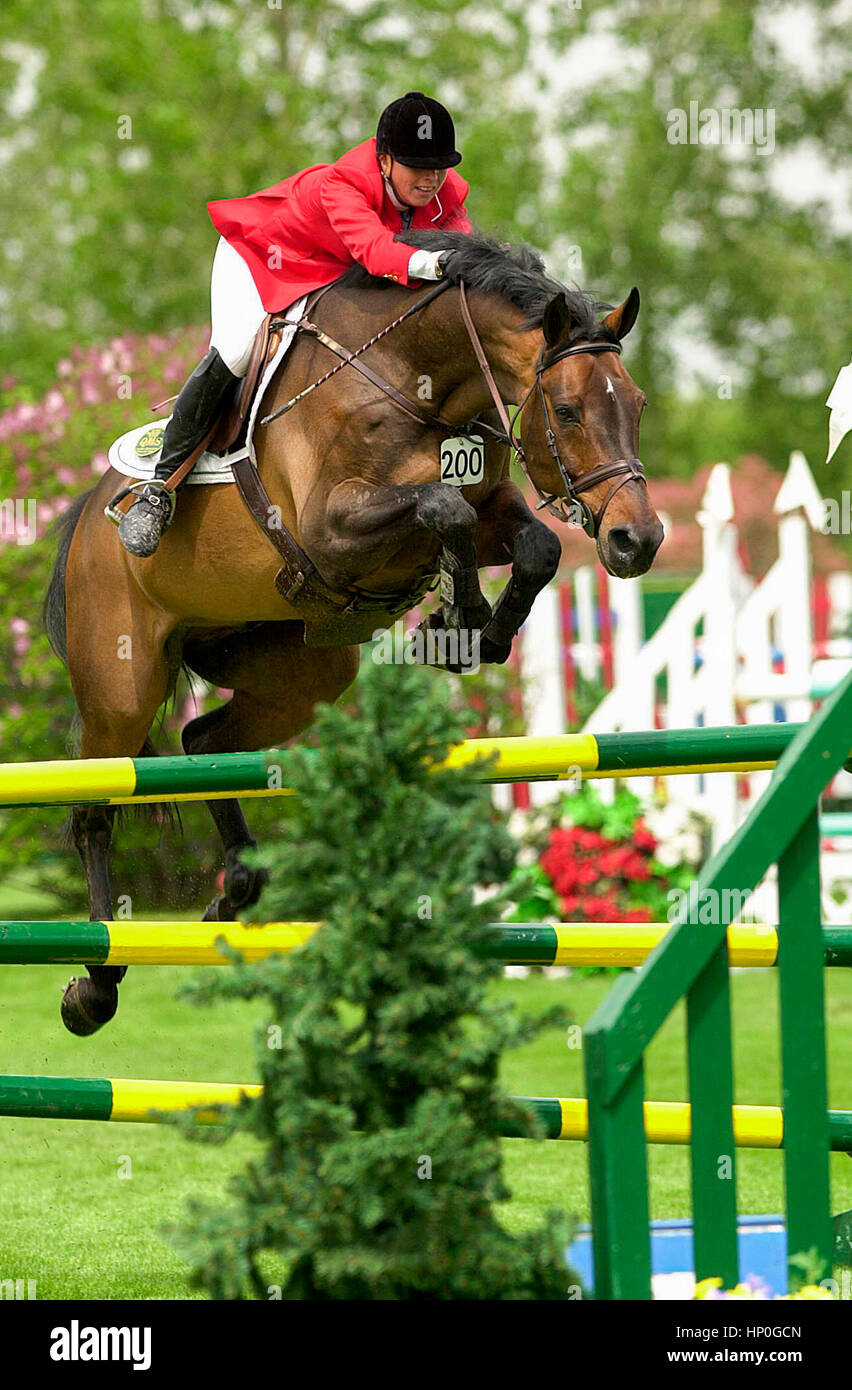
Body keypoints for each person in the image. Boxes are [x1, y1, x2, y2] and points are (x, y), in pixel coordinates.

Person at [116, 91, 472, 557]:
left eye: (439, 166)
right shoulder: (341, 184)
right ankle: (159, 490)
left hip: (332, 276)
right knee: (240, 349)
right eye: (417, 166)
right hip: (259, 255)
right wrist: (445, 263)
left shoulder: (444, 193)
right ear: (384, 161)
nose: (431, 179)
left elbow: (466, 250)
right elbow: (378, 254)